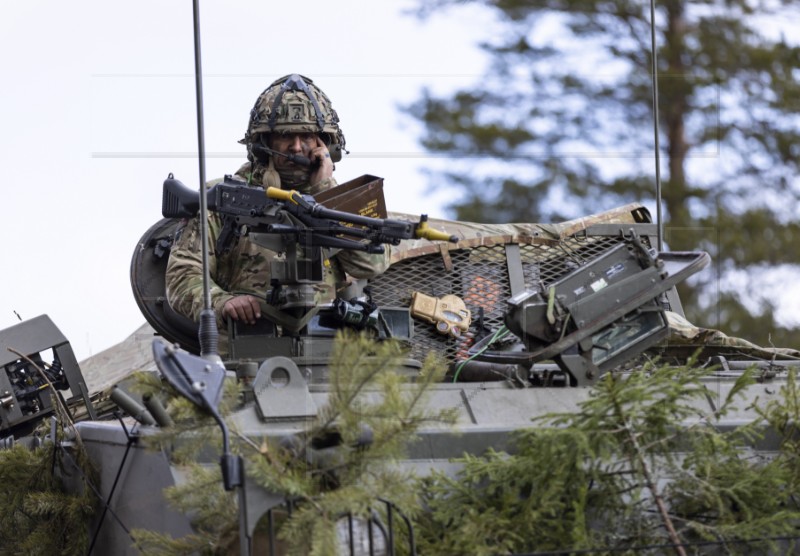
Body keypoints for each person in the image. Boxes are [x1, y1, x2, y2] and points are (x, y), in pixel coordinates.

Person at [165, 74, 390, 337]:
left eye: (306, 136)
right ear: (265, 142)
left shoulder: (341, 201)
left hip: (328, 358)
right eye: (285, 136)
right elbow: (183, 274)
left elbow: (372, 265)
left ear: (324, 143)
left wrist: (324, 191)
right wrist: (221, 302)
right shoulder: (224, 197)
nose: (296, 147)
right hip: (245, 355)